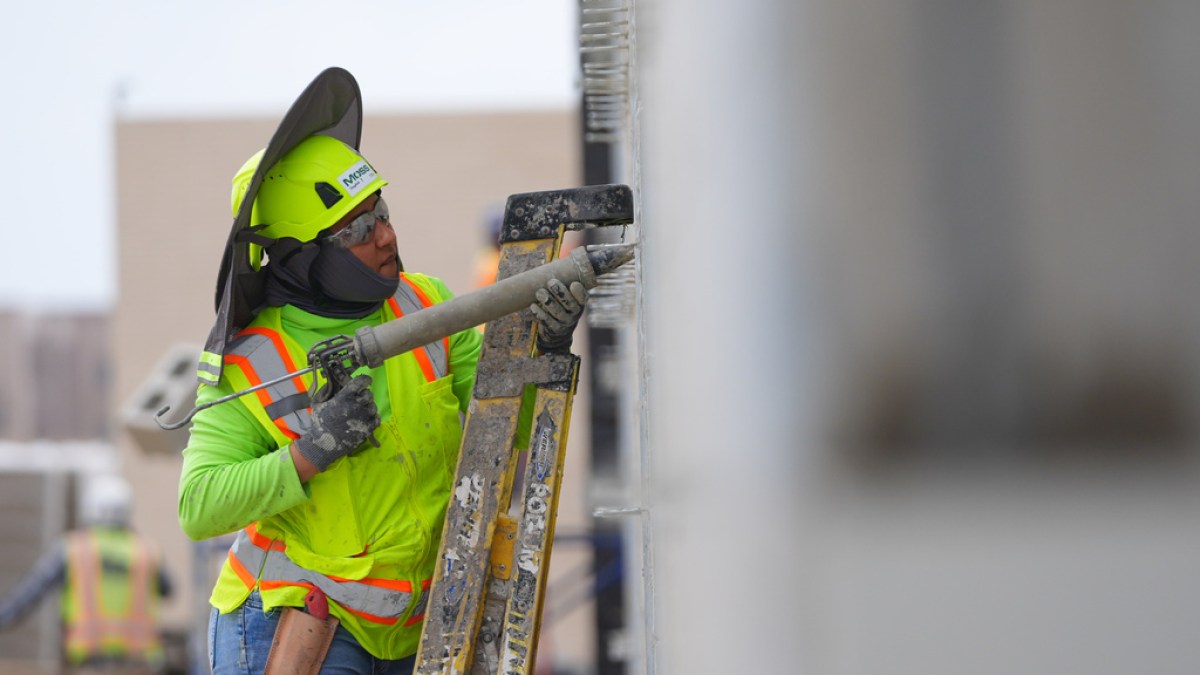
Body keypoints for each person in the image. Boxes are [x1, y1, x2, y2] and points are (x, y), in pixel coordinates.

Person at [177, 69, 588, 674]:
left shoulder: (424, 305)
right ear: (301, 257)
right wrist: (313, 450)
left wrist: (545, 349)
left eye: (383, 212)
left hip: (414, 626)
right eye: (359, 229)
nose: (388, 236)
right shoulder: (251, 361)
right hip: (298, 622)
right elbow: (198, 506)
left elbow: (506, 431)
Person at [0, 474, 173, 674]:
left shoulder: (72, 550)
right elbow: (169, 590)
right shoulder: (147, 552)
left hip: (90, 663)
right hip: (139, 664)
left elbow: (29, 594)